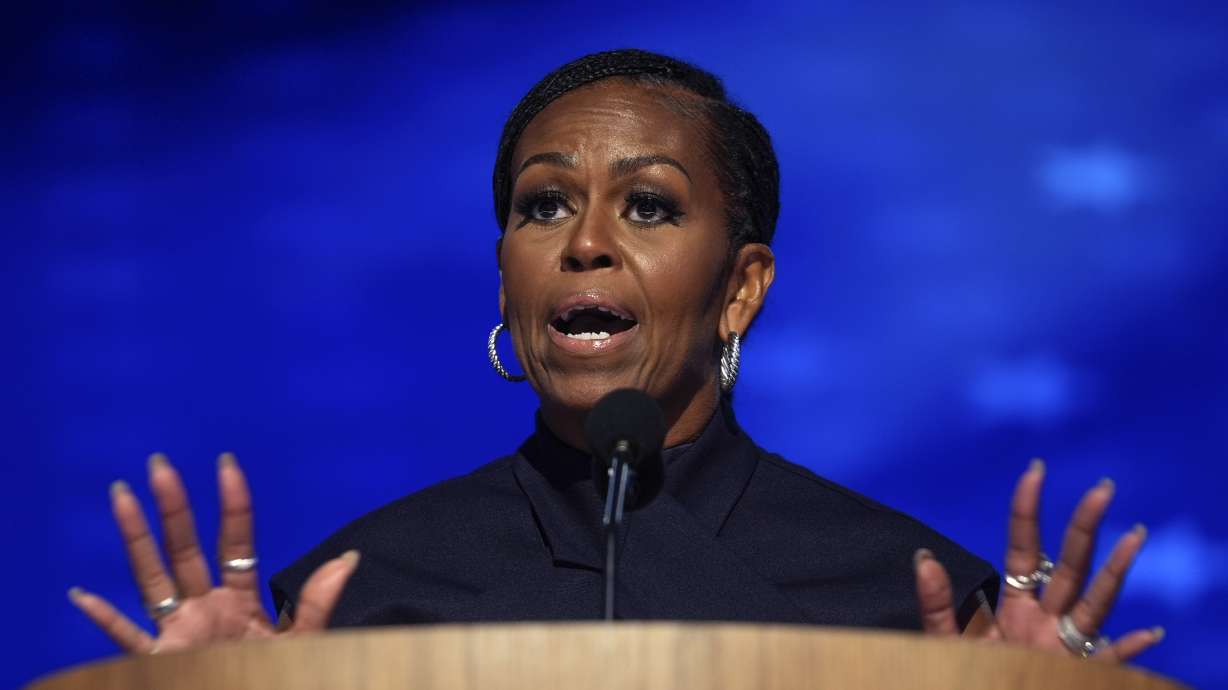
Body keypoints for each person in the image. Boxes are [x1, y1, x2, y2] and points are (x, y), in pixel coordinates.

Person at [68, 49, 1162, 662]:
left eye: (647, 205)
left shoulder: (915, 604)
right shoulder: (350, 603)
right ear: (507, 280)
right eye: (544, 206)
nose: (585, 241)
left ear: (741, 288)